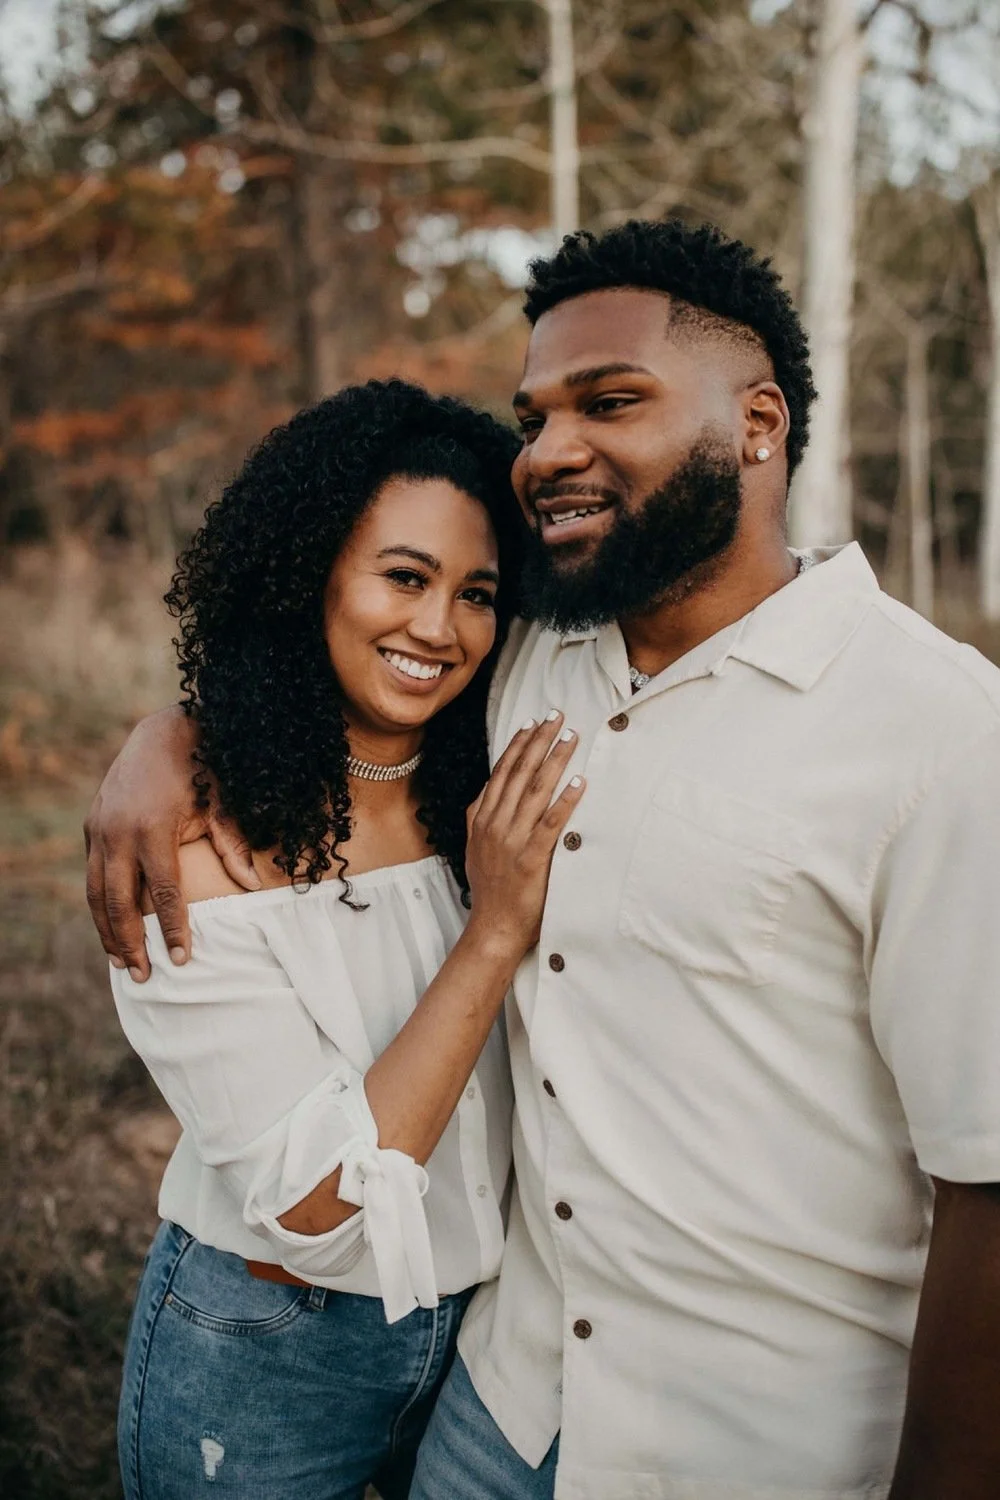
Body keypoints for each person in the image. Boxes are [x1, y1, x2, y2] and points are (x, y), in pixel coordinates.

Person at [86, 221, 1000, 1500]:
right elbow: (349, 662)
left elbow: (986, 1177)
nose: (550, 451)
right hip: (502, 1400)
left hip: (760, 1444)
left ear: (757, 423)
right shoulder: (530, 659)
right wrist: (174, 736)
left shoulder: (939, 735)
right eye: (535, 417)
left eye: (609, 401)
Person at [103, 378, 586, 1500]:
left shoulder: (486, 779)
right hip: (263, 1351)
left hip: (487, 1335)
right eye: (403, 577)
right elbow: (318, 1203)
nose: (437, 628)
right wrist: (495, 929)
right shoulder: (191, 842)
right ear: (306, 575)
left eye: (476, 592)